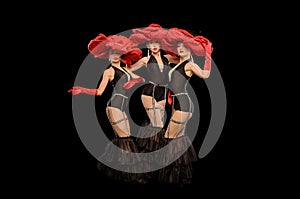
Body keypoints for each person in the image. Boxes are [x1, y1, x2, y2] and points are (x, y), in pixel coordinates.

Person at [68, 33, 146, 184]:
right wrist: (83, 90)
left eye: (117, 53)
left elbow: (141, 78)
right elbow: (99, 92)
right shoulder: (109, 72)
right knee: (125, 140)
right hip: (114, 106)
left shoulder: (126, 69)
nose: (115, 56)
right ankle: (132, 176)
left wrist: (136, 80)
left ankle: (122, 173)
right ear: (108, 56)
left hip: (123, 108)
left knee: (126, 140)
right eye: (112, 53)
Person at [156, 27, 213, 186]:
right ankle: (179, 177)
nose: (180, 49)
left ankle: (169, 176)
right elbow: (165, 56)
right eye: (178, 46)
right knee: (177, 141)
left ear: (190, 50)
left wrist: (207, 55)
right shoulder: (177, 62)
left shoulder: (189, 65)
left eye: (184, 46)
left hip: (183, 105)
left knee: (168, 138)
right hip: (176, 103)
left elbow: (205, 75)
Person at [124, 23, 179, 153]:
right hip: (149, 92)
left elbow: (183, 60)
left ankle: (145, 154)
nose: (154, 46)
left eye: (156, 43)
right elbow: (128, 69)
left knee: (154, 123)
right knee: (158, 125)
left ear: (160, 44)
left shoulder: (167, 58)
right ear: (148, 45)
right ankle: (157, 154)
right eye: (151, 43)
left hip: (163, 92)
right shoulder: (145, 59)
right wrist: (139, 78)